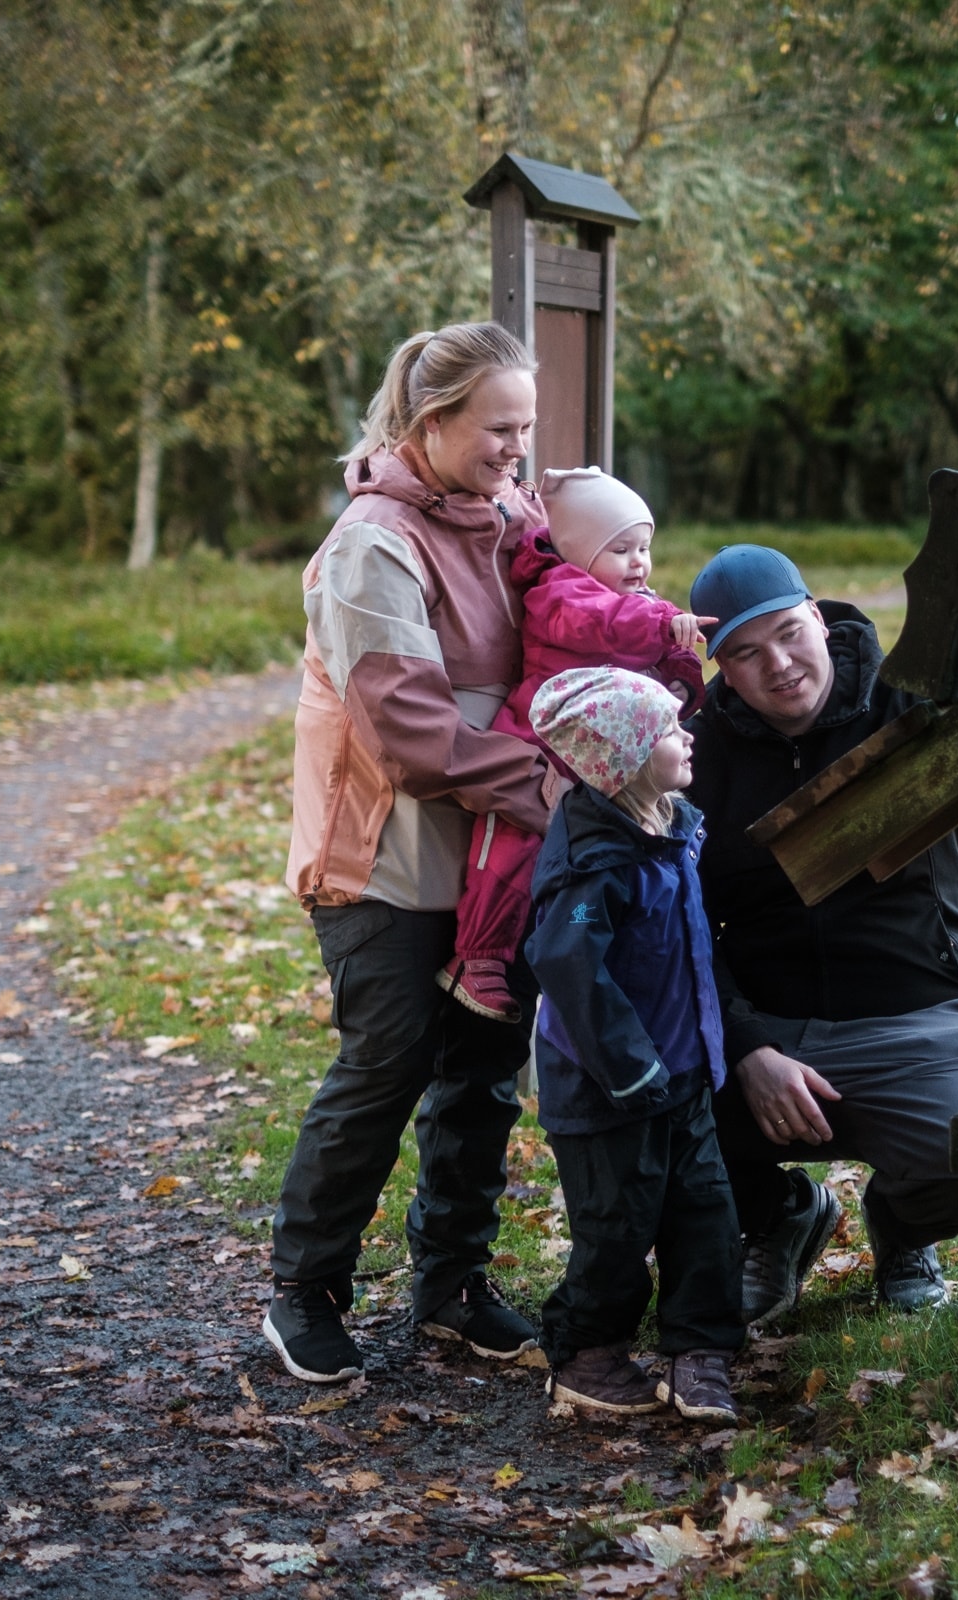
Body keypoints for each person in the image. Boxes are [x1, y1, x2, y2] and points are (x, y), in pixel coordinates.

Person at [685, 545, 958, 1325]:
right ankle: (778, 1215)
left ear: (817, 615)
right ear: (720, 667)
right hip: (770, 1026)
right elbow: (684, 921)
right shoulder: (699, 749)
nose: (777, 664)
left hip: (913, 1010)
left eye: (786, 632)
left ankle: (904, 1227)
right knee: (647, 1107)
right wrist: (745, 1047)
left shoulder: (910, 698)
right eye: (744, 652)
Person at [264, 321, 556, 1384]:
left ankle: (451, 1285)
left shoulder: (505, 509)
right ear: (432, 425)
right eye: (498, 428)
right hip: (383, 861)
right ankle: (305, 1290)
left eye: (526, 428)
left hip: (490, 864)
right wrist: (555, 790)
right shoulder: (370, 546)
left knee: (481, 1077)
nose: (516, 449)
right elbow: (410, 731)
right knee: (384, 1067)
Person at [524, 667, 742, 1422]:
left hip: (683, 1072)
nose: (687, 735)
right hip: (606, 1088)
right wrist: (628, 1065)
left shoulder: (672, 824)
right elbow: (568, 965)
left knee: (706, 1214)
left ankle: (700, 1353)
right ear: (622, 758)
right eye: (667, 730)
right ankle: (588, 1353)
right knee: (618, 1226)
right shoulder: (596, 860)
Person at [436, 466, 713, 1024]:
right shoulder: (559, 593)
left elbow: (649, 650)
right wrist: (664, 625)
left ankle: (590, 943)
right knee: (511, 846)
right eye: (622, 549)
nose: (639, 562)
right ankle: (477, 956)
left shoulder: (636, 600)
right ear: (581, 551)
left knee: (596, 856)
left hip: (599, 763)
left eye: (645, 547)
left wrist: (679, 675)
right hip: (542, 742)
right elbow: (610, 626)